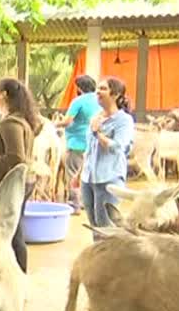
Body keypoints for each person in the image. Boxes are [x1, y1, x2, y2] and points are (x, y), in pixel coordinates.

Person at [0, 78, 42, 273]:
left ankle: (17, 277)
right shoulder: (20, 121)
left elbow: (16, 157)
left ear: (4, 95)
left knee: (10, 234)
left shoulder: (10, 123)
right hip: (19, 182)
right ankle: (17, 276)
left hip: (6, 184)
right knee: (14, 231)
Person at [80, 76, 135, 240]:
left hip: (108, 180)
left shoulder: (124, 120)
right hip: (88, 179)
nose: (98, 91)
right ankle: (98, 260)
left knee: (106, 228)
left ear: (116, 94)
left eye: (103, 88)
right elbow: (89, 150)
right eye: (98, 88)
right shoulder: (96, 117)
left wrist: (98, 133)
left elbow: (118, 147)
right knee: (94, 226)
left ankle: (108, 262)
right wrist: (79, 174)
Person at [55, 74, 101, 214]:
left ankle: (75, 205)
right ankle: (88, 204)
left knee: (73, 174)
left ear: (79, 88)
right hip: (94, 143)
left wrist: (55, 124)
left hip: (77, 143)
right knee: (90, 175)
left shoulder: (78, 101)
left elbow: (68, 121)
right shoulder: (99, 100)